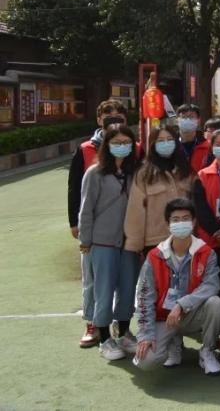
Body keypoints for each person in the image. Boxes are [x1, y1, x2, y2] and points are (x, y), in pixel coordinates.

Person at [132, 198, 220, 375]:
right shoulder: (154, 256)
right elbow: (144, 297)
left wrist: (182, 304)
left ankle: (207, 351)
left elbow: (212, 285)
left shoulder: (207, 252)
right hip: (164, 319)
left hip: (192, 314)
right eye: (175, 220)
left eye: (185, 219)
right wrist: (146, 334)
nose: (181, 223)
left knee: (215, 303)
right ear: (168, 224)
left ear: (194, 222)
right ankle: (173, 344)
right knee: (146, 361)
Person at [69, 99, 130, 348]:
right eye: (108, 116)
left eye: (119, 117)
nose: (114, 120)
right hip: (96, 230)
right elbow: (75, 190)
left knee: (125, 281)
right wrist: (76, 224)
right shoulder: (86, 150)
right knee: (93, 280)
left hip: (124, 232)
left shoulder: (133, 152)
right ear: (99, 120)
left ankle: (121, 327)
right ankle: (93, 324)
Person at [78, 125, 140, 361]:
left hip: (129, 242)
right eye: (117, 142)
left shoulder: (135, 173)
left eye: (126, 142)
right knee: (102, 291)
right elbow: (86, 211)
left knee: (127, 288)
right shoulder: (94, 173)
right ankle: (104, 338)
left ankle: (123, 331)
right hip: (102, 242)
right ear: (106, 145)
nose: (122, 146)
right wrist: (85, 242)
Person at [124, 127, 194, 255]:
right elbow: (136, 210)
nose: (166, 143)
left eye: (169, 139)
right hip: (155, 241)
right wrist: (135, 243)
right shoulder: (144, 174)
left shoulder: (186, 171)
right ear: (153, 145)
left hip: (185, 238)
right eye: (160, 140)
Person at [192, 129, 220, 267]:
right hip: (211, 237)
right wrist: (216, 232)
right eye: (218, 144)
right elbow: (200, 208)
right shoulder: (202, 175)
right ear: (212, 148)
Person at [176, 104, 210, 174]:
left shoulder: (208, 147)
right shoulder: (171, 145)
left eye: (191, 117)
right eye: (184, 117)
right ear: (177, 121)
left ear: (198, 120)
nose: (187, 120)